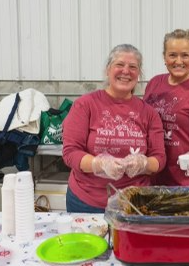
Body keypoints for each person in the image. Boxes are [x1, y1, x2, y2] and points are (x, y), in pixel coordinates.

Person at [62, 44, 166, 213]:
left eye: (133, 67)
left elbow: (159, 159)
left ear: (138, 74)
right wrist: (99, 164)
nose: (126, 71)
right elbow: (70, 153)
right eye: (119, 65)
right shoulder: (85, 105)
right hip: (86, 201)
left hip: (133, 202)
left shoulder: (149, 113)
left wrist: (144, 163)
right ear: (107, 70)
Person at [143, 29, 189, 185]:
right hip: (152, 176)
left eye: (185, 55)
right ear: (164, 57)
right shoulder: (154, 83)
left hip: (185, 179)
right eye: (172, 55)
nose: (178, 61)